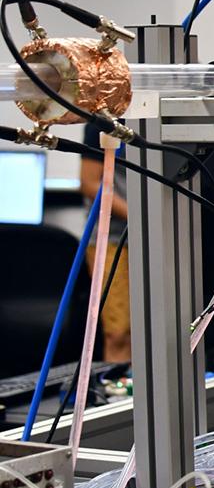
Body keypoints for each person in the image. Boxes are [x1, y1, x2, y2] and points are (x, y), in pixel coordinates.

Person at [79, 123, 131, 363]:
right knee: (118, 332)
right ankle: (122, 394)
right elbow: (90, 183)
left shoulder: (163, 115)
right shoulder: (103, 121)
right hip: (111, 239)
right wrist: (137, 215)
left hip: (160, 235)